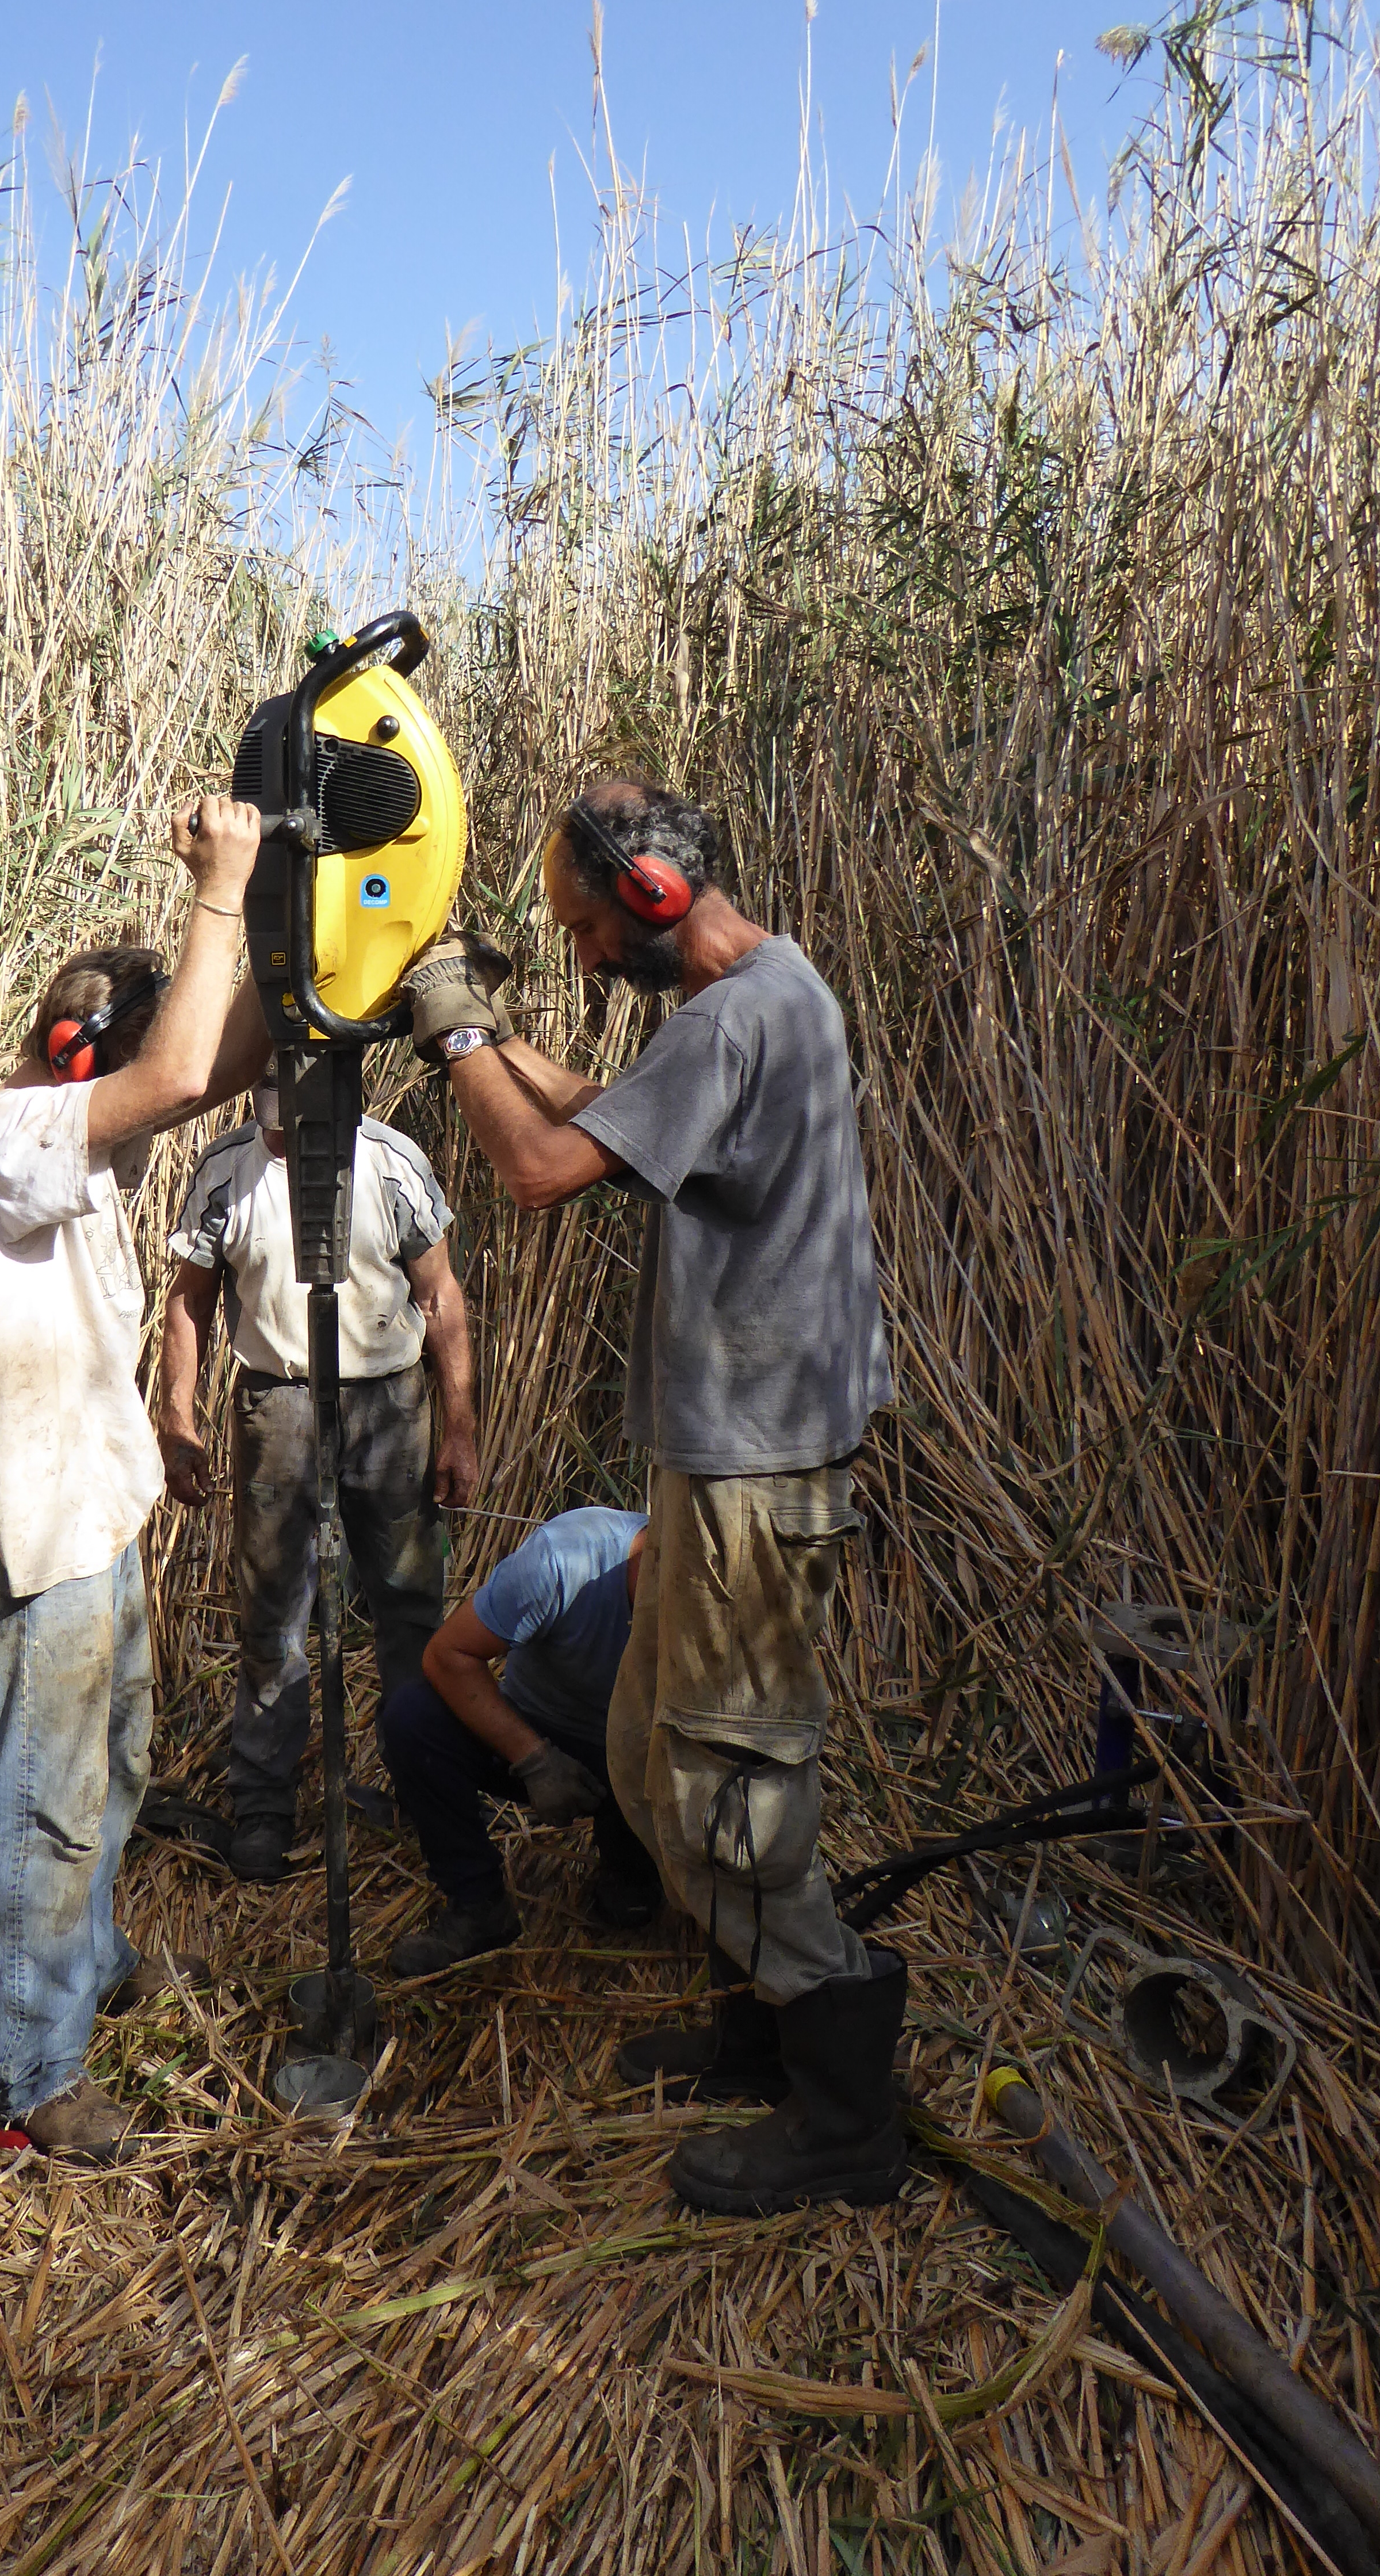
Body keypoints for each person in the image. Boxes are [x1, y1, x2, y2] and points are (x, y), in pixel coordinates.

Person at [403, 778, 901, 2217]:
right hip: (723, 1459)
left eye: (581, 929)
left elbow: (545, 1165)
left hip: (756, 1472)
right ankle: (757, 2029)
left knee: (726, 1787)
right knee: (644, 1747)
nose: (577, 958)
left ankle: (842, 2115)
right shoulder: (761, 997)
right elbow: (611, 1117)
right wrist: (495, 1043)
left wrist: (459, 1030)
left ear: (654, 897)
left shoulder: (736, 1018)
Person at [0, 792, 267, 2164]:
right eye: (118, 1073)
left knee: (109, 1764)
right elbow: (183, 1075)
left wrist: (306, 950)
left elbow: (214, 1058)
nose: (143, 1105)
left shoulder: (77, 1154)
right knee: (37, 1798)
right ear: (81, 1056)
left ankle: (85, 1960)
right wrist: (218, 892)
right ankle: (29, 2066)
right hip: (43, 1527)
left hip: (90, 1505)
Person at [156, 1076, 478, 1881]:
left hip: (390, 1405)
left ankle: (422, 1790)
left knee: (410, 1611)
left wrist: (461, 1429)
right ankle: (264, 1810)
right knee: (271, 1618)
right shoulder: (227, 1173)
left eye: (301, 1125)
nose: (285, 1140)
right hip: (279, 1403)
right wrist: (179, 1420)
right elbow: (188, 1303)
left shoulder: (392, 1164)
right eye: (272, 1123)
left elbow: (439, 1297)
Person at [379, 1505, 662, 1976]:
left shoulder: (723, 1602)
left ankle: (632, 1869)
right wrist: (533, 1759)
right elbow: (449, 1654)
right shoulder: (566, 1558)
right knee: (412, 1717)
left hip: (645, 1758)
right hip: (538, 1727)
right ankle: (478, 1904)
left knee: (633, 1910)